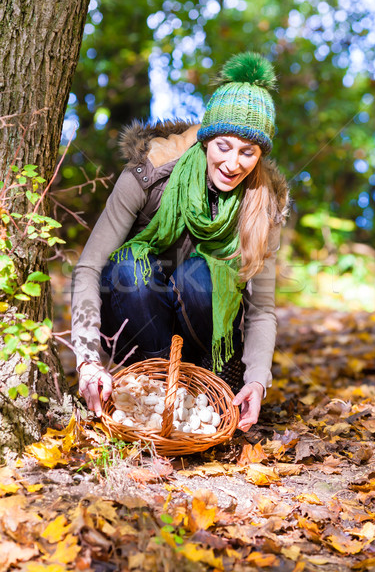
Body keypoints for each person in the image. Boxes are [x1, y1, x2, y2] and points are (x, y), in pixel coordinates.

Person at [71, 52, 289, 432]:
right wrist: (88, 359)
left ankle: (208, 383)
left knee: (200, 275)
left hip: (205, 335)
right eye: (224, 145)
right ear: (206, 141)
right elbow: (89, 267)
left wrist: (257, 379)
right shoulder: (147, 176)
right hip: (140, 319)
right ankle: (153, 389)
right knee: (127, 270)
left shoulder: (262, 205)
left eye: (247, 152)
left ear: (260, 154)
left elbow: (260, 310)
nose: (233, 163)